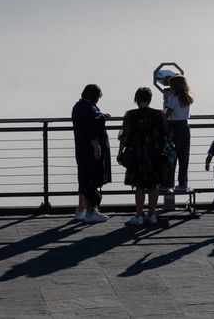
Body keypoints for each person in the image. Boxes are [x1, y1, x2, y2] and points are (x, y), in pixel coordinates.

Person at [117, 87, 167, 226]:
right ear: (150, 99)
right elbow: (166, 133)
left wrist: (120, 153)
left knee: (139, 185)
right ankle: (152, 215)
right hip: (155, 153)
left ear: (136, 99)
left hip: (136, 153)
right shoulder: (158, 114)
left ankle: (139, 215)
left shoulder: (130, 115)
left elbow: (124, 137)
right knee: (154, 185)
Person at [71, 83, 111, 224]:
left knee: (83, 177)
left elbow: (93, 118)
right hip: (89, 151)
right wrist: (97, 148)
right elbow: (91, 130)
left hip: (81, 149)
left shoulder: (78, 106)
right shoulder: (89, 110)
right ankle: (91, 211)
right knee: (90, 179)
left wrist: (101, 115)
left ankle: (81, 209)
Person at [164, 75, 194, 191]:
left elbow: (167, 114)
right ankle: (183, 183)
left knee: (172, 155)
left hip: (175, 128)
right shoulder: (188, 98)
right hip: (185, 127)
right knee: (184, 156)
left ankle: (168, 183)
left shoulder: (173, 99)